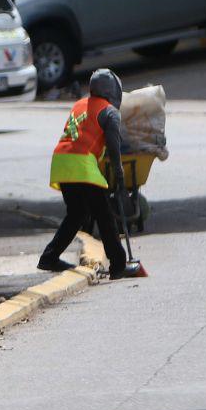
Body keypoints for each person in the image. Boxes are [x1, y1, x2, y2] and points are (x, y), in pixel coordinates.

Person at [39, 68, 140, 278]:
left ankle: (49, 257)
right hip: (82, 164)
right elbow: (113, 146)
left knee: (77, 214)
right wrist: (119, 174)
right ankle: (118, 265)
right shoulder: (110, 112)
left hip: (61, 161)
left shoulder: (79, 105)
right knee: (105, 216)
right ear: (113, 90)